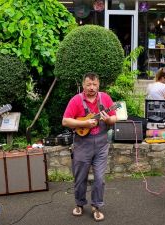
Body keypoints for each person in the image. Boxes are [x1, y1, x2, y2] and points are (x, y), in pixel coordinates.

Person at [62, 73, 117, 222]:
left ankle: (96, 206)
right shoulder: (76, 100)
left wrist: (108, 119)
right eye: (88, 85)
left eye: (94, 84)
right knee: (80, 178)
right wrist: (84, 124)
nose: (91, 88)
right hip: (82, 143)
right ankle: (79, 204)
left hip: (101, 143)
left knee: (100, 178)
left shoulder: (105, 98)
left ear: (98, 85)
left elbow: (114, 117)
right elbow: (65, 121)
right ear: (83, 85)